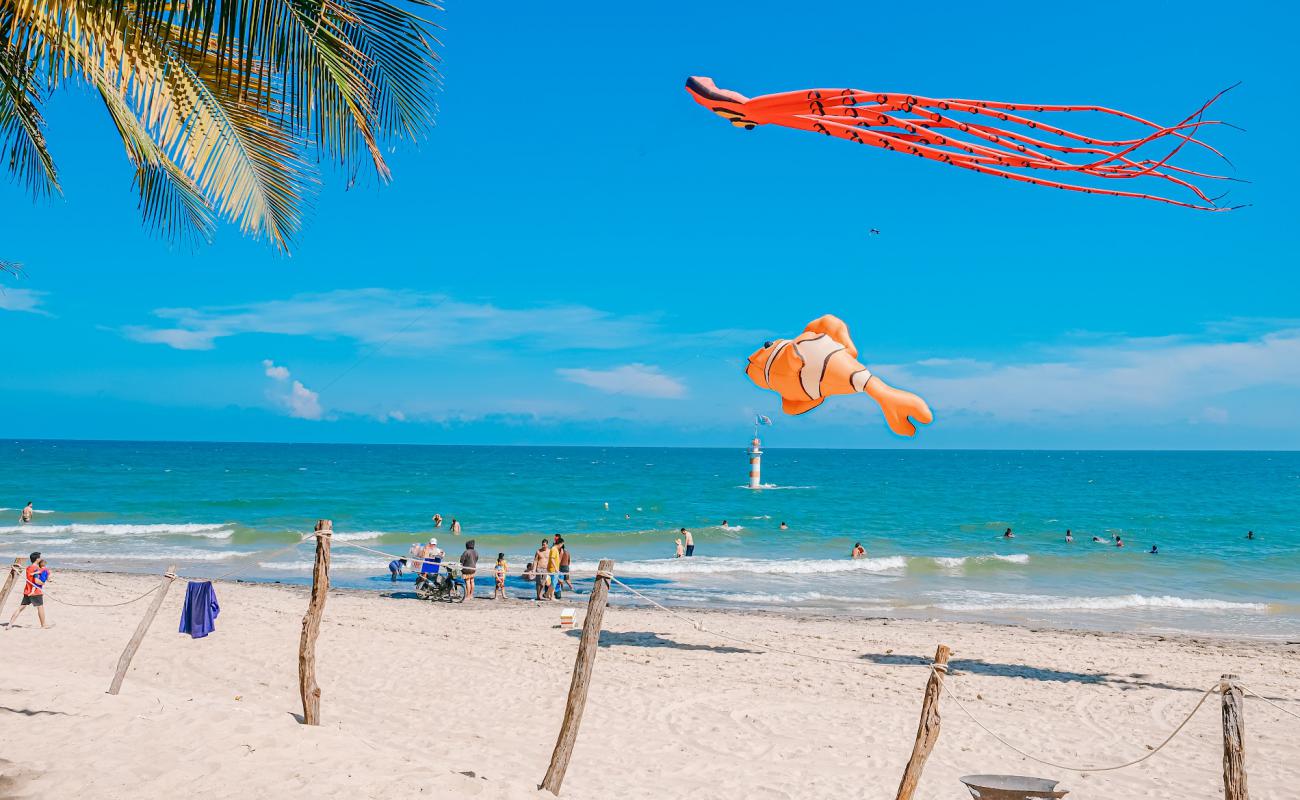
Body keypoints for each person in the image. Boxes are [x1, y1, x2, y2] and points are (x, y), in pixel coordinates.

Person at [8, 552, 49, 628]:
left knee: (21, 608)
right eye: (39, 558)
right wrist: (43, 583)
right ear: (37, 559)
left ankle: (10, 624)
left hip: (27, 590)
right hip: (36, 592)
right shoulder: (36, 568)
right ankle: (43, 625)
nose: (40, 559)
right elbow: (36, 581)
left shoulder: (28, 568)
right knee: (40, 607)